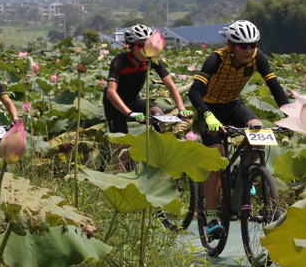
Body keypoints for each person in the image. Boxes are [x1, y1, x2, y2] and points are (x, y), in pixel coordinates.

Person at [188, 19, 290, 236]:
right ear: (231, 45)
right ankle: (213, 216)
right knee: (217, 157)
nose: (249, 50)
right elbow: (194, 92)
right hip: (210, 108)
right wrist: (208, 116)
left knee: (258, 131)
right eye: (243, 46)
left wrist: (292, 115)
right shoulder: (216, 59)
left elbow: (275, 88)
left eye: (253, 45)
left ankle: (241, 174)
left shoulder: (257, 59)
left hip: (234, 105)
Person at [104, 23, 193, 170]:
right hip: (116, 106)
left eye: (147, 44)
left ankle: (148, 158)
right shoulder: (120, 61)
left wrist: (181, 108)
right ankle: (118, 182)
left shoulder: (152, 59)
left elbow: (170, 84)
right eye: (140, 46)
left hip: (134, 100)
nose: (145, 49)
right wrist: (129, 113)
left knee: (159, 116)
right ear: (130, 47)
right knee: (123, 149)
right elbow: (110, 92)